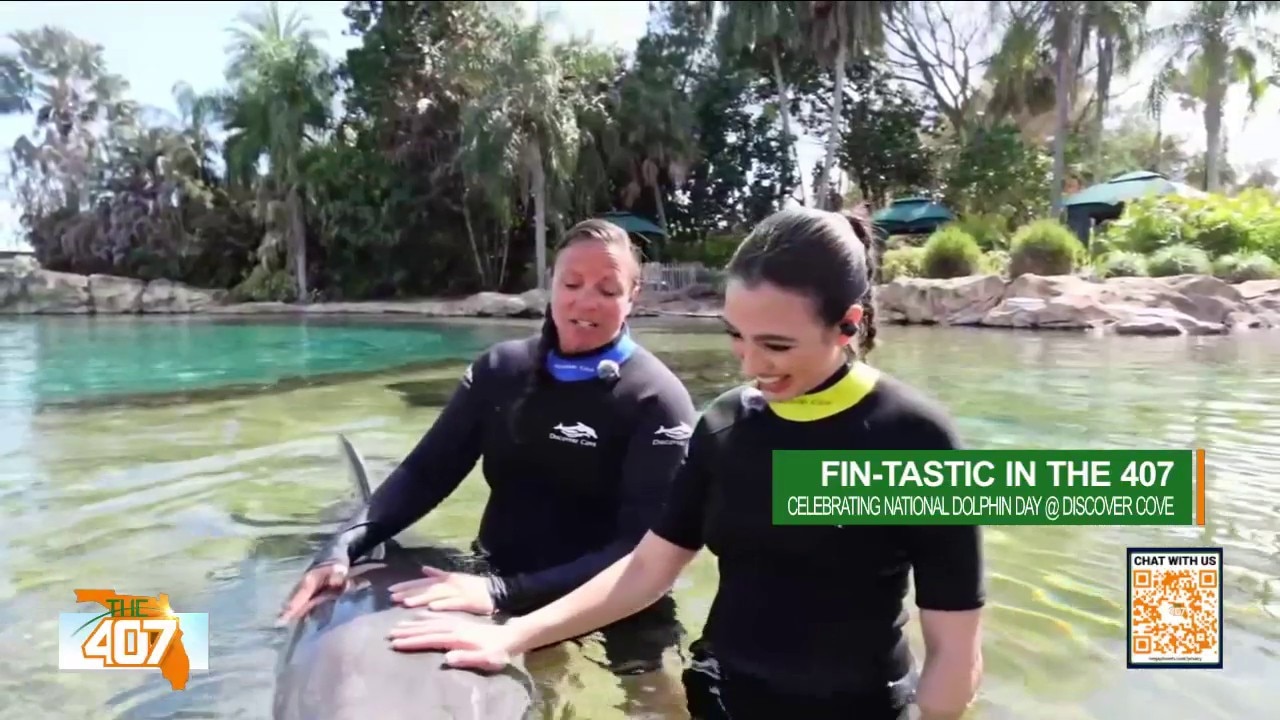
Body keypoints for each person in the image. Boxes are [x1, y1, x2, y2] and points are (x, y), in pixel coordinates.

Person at [385, 205, 987, 720]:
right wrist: (511, 632)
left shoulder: (914, 439)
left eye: (776, 345)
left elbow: (955, 655)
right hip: (720, 699)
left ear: (848, 325)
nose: (752, 366)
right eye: (736, 337)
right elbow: (647, 569)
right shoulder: (728, 425)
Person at [278, 218, 698, 683]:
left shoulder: (656, 400)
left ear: (632, 297)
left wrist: (505, 593)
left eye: (608, 289)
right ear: (550, 286)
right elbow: (425, 473)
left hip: (615, 599)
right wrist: (342, 546)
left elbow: (641, 552)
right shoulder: (502, 370)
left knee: (655, 706)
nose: (585, 301)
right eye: (572, 283)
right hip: (490, 575)